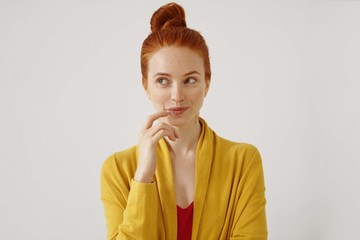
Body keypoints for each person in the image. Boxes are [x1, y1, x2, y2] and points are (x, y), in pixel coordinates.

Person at [100, 2, 267, 240]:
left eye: (189, 80)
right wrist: (143, 176)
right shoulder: (117, 169)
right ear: (145, 86)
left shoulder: (242, 161)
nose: (177, 95)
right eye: (163, 81)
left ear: (207, 83)